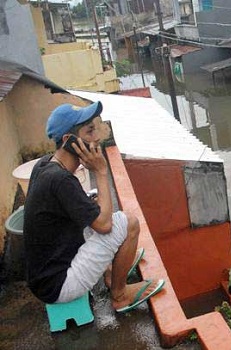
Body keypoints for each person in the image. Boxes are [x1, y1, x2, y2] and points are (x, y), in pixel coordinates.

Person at [23, 102, 164, 313]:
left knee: (93, 208)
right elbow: (105, 225)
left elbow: (85, 213)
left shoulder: (45, 165)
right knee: (128, 223)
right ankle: (120, 295)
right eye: (89, 131)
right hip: (59, 286)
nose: (97, 137)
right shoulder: (60, 180)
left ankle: (110, 270)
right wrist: (100, 171)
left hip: (45, 277)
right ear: (69, 141)